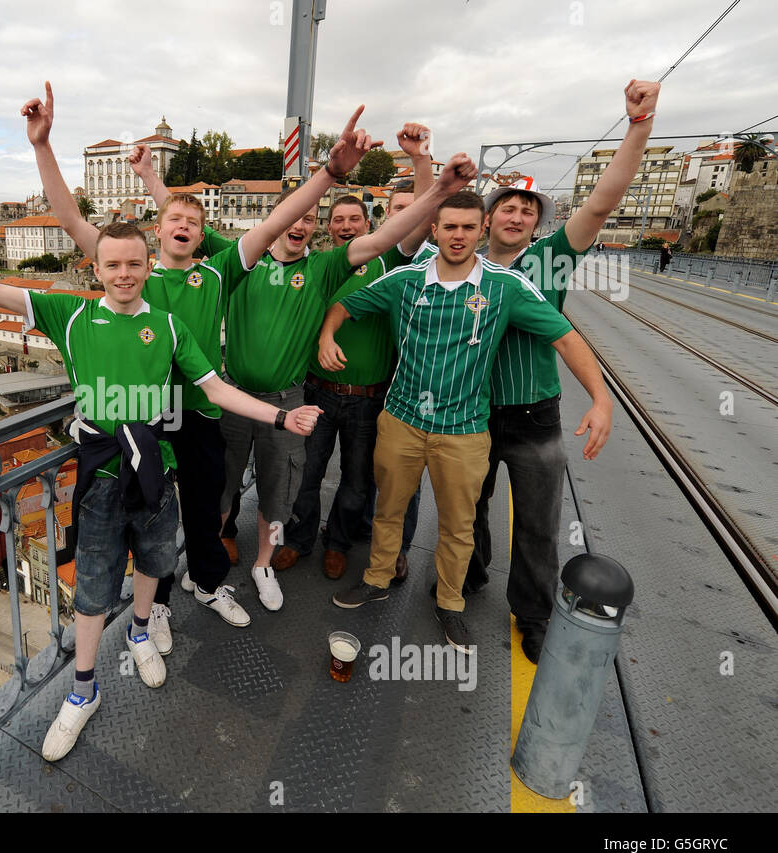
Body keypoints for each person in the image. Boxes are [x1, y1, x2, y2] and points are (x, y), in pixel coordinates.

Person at [0, 178, 320, 763]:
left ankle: (142, 629)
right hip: (100, 474)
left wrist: (280, 419)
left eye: (133, 264)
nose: (123, 274)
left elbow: (217, 389)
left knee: (154, 559)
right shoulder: (70, 316)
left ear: (148, 266)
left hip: (157, 467)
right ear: (96, 269)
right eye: (112, 264)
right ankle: (82, 691)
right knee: (95, 584)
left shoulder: (171, 328)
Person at [21, 82, 376, 649]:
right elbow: (68, 218)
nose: (183, 224)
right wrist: (42, 144)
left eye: (192, 218)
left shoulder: (216, 272)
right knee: (155, 516)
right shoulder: (132, 270)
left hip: (205, 408)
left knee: (210, 506)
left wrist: (329, 175)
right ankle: (154, 609)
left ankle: (208, 585)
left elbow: (277, 220)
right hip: (150, 419)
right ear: (157, 229)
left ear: (201, 230)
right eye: (173, 217)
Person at [416, 79, 657, 662]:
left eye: (529, 209)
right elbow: (425, 215)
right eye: (508, 207)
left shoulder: (549, 260)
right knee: (464, 509)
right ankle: (468, 575)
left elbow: (601, 201)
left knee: (539, 523)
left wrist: (639, 127)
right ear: (485, 219)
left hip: (533, 412)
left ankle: (533, 611)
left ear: (535, 223)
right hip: (469, 412)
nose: (519, 214)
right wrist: (422, 161)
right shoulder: (452, 258)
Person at [324, 191, 613, 655]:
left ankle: (450, 604)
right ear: (434, 230)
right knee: (388, 510)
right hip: (401, 420)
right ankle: (377, 579)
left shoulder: (505, 287)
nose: (457, 236)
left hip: (463, 430)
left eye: (467, 228)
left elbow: (564, 337)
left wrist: (601, 399)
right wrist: (327, 333)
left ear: (481, 232)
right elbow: (346, 305)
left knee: (459, 527)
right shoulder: (404, 280)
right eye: (449, 227)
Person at [196, 147, 481, 611]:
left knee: (278, 491)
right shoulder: (239, 259)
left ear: (317, 227)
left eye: (311, 218)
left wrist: (442, 190)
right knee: (222, 486)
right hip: (234, 397)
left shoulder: (324, 267)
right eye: (296, 216)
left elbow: (388, 236)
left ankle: (264, 563)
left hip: (289, 400)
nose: (302, 224)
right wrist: (148, 172)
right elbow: (181, 220)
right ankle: (214, 548)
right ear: (277, 219)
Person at [273, 144, 431, 582]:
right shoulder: (321, 268)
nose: (346, 226)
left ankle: (338, 543)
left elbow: (419, 219)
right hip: (317, 391)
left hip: (367, 397)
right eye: (338, 221)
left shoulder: (389, 261)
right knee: (307, 472)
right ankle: (301, 539)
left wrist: (421, 161)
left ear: (371, 225)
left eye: (354, 220)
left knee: (358, 481)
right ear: (329, 227)